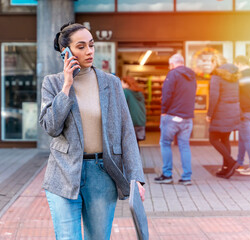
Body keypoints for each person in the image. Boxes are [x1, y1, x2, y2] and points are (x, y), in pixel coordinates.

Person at [38, 22, 145, 240]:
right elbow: (51, 126)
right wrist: (66, 87)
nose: (89, 51)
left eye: (91, 45)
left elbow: (126, 132)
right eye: (81, 46)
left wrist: (136, 178)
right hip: (64, 173)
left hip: (102, 174)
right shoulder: (53, 83)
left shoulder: (111, 83)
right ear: (65, 51)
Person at [154, 53, 197, 186]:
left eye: (169, 64)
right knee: (184, 146)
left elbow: (167, 94)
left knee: (165, 143)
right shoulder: (192, 75)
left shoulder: (173, 74)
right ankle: (186, 177)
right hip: (187, 117)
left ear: (173, 64)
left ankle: (167, 175)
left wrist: (164, 112)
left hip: (172, 116)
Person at [206, 54, 241, 179]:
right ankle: (226, 168)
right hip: (233, 111)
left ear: (215, 62)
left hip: (221, 111)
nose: (210, 65)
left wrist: (209, 114)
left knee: (213, 138)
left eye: (211, 62)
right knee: (225, 138)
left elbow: (214, 97)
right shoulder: (234, 75)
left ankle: (231, 162)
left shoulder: (216, 75)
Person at [121, 76, 146, 147]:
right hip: (140, 122)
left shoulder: (126, 92)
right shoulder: (140, 93)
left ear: (126, 83)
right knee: (136, 144)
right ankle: (137, 158)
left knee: (130, 146)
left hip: (131, 122)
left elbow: (121, 106)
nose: (120, 84)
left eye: (121, 83)